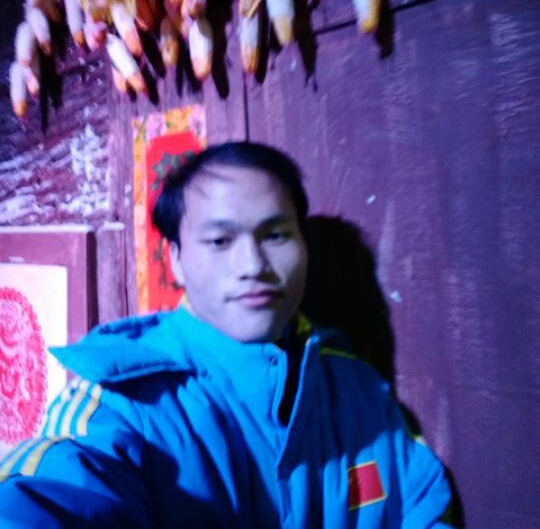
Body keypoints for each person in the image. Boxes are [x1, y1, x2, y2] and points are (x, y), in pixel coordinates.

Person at [0, 142, 454, 528]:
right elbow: (45, 497)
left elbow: (425, 506)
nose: (253, 266)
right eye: (220, 241)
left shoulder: (357, 387)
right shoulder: (121, 400)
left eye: (276, 235)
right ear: (175, 260)